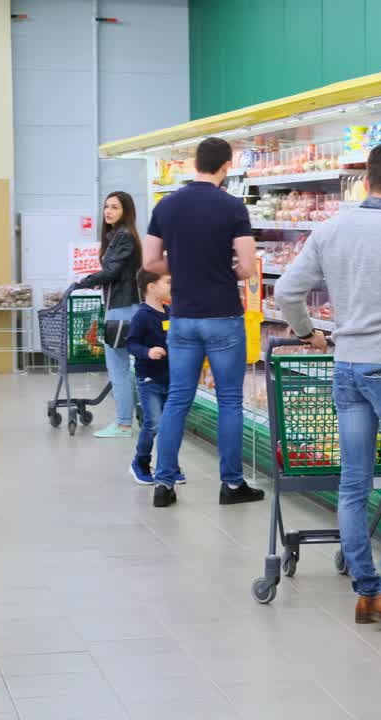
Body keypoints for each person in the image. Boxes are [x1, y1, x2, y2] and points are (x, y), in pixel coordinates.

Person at [277, 143, 381, 628]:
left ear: (367, 179)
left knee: (353, 483)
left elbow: (287, 292)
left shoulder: (328, 231)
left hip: (345, 366)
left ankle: (366, 592)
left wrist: (308, 332)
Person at [142, 137, 263, 509]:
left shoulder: (168, 205)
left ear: (196, 164)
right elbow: (246, 266)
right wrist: (221, 271)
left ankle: (163, 484)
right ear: (226, 166)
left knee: (178, 398)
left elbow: (150, 261)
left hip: (182, 318)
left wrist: (182, 268)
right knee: (229, 400)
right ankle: (231, 484)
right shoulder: (232, 207)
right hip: (223, 316)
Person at [76, 191, 142, 438]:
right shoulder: (119, 235)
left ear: (126, 211)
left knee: (118, 368)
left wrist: (84, 281)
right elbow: (117, 272)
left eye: (114, 207)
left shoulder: (123, 236)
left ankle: (124, 424)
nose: (108, 211)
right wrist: (97, 281)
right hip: (124, 305)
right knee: (125, 367)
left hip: (122, 308)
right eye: (106, 206)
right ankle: (134, 417)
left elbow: (112, 271)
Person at [125, 270, 186, 487]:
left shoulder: (170, 312)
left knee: (170, 424)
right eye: (168, 282)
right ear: (151, 287)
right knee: (153, 423)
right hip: (149, 378)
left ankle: (169, 465)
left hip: (172, 378)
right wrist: (148, 351)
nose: (172, 285)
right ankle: (140, 463)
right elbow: (131, 343)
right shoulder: (142, 316)